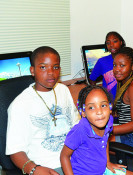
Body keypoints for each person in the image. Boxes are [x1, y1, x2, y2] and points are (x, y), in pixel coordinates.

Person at [6, 46, 79, 175]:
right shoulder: (20, 105)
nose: (51, 72)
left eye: (55, 67)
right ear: (32, 71)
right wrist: (34, 169)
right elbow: (15, 151)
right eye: (43, 67)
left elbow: (76, 127)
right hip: (49, 167)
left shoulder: (63, 90)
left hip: (77, 160)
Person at [60, 85, 126, 175]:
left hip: (102, 170)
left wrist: (108, 162)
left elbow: (105, 141)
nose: (99, 112)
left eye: (103, 105)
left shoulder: (109, 120)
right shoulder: (80, 131)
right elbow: (64, 156)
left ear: (110, 108)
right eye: (91, 107)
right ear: (83, 112)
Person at [89, 31, 126, 99]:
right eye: (108, 43)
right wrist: (95, 93)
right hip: (109, 102)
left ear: (121, 42)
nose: (111, 45)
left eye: (115, 41)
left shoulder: (128, 60)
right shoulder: (102, 61)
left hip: (126, 103)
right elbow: (92, 79)